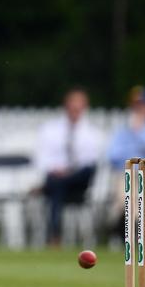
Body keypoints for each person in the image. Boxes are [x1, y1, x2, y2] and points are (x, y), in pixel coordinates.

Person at [36, 87, 102, 246]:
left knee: (61, 182)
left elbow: (91, 162)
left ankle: (54, 237)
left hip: (79, 181)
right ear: (66, 106)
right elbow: (42, 159)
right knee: (57, 186)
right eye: (73, 106)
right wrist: (58, 170)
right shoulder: (50, 130)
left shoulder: (93, 133)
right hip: (57, 179)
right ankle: (55, 238)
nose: (75, 110)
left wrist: (67, 172)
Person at [106, 86, 145, 244]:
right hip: (126, 173)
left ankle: (131, 229)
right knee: (126, 189)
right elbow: (113, 156)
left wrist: (140, 132)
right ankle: (134, 229)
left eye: (142, 104)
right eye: (136, 105)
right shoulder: (122, 132)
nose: (139, 109)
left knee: (143, 191)